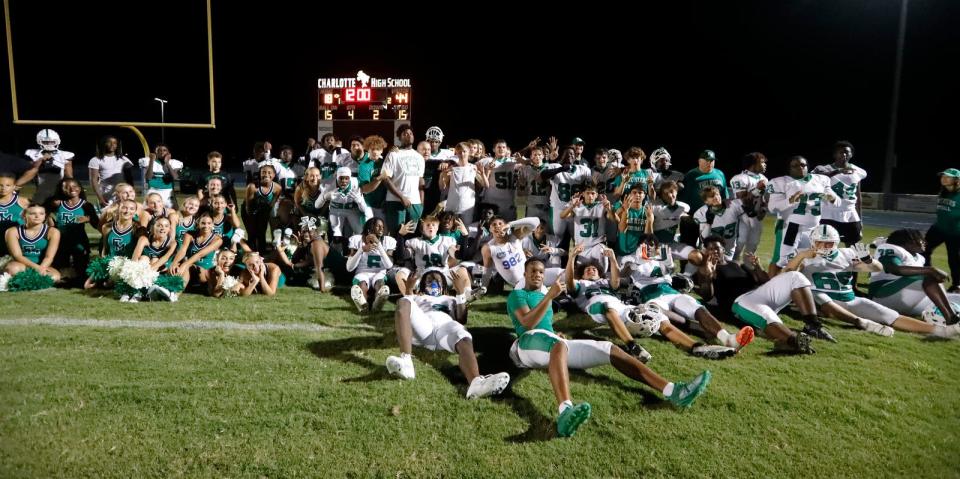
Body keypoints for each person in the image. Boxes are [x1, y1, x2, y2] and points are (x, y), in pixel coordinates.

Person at [507, 259, 712, 437]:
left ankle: (674, 391)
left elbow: (545, 325)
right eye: (532, 271)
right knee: (558, 344)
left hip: (550, 342)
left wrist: (553, 329)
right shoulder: (518, 295)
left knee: (609, 348)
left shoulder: (544, 293)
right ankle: (565, 412)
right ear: (524, 274)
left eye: (541, 272)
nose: (537, 274)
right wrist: (549, 297)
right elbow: (527, 323)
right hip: (526, 344)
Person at [784, 225, 959, 338]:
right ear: (813, 242)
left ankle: (942, 331)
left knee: (889, 315)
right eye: (820, 243)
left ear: (836, 243)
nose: (824, 247)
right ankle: (862, 323)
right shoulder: (805, 256)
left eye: (829, 243)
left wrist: (868, 260)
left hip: (849, 299)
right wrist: (801, 256)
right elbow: (787, 276)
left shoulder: (847, 254)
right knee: (820, 296)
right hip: (820, 300)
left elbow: (876, 268)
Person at [385, 270, 512, 400]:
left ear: (444, 286)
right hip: (423, 328)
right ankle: (406, 363)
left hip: (444, 329)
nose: (434, 282)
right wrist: (409, 290)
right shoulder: (418, 297)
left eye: (437, 280)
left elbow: (461, 319)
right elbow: (405, 312)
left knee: (463, 334)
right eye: (429, 280)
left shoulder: (451, 299)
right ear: (422, 285)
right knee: (403, 301)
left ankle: (476, 383)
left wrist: (460, 292)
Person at [693, 236, 824, 352]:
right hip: (742, 301)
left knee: (795, 276)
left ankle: (812, 325)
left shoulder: (735, 264)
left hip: (760, 293)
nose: (714, 251)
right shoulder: (705, 269)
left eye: (717, 248)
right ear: (705, 252)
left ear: (723, 250)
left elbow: (765, 281)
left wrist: (757, 267)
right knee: (766, 316)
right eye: (710, 249)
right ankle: (793, 341)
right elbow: (707, 296)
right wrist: (708, 276)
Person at [870, 228, 960, 323]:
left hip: (906, 298)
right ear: (909, 241)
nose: (924, 242)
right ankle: (950, 316)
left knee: (956, 298)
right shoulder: (890, 248)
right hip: (883, 296)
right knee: (929, 276)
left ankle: (947, 314)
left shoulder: (920, 258)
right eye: (920, 239)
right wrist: (930, 270)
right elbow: (894, 268)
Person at [813, 141, 867, 247]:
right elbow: (816, 177)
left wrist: (860, 219)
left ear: (851, 154)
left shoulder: (859, 171)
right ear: (834, 154)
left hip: (850, 213)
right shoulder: (824, 168)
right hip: (829, 213)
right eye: (840, 152)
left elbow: (858, 196)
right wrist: (839, 171)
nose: (844, 155)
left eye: (847, 152)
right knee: (826, 247)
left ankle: (851, 263)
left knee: (854, 247)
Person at [380, 124, 425, 235]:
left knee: (411, 237)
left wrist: (421, 204)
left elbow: (420, 181)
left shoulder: (419, 157)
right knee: (396, 235)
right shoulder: (393, 154)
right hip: (395, 202)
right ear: (399, 138)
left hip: (415, 203)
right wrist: (401, 197)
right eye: (405, 134)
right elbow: (385, 179)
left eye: (410, 133)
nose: (408, 135)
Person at [346, 218, 396, 312]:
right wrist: (361, 250)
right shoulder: (357, 240)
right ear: (369, 228)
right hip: (362, 272)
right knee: (362, 285)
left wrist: (379, 245)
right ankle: (363, 306)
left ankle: (377, 306)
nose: (381, 229)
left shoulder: (387, 241)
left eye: (383, 226)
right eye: (378, 226)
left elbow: (389, 265)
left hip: (379, 272)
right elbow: (349, 268)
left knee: (380, 284)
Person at [3, 204, 61, 282]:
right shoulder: (12, 231)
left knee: (55, 277)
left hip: (43, 265)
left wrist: (41, 268)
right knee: (12, 270)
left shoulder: (53, 232)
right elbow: (17, 256)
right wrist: (37, 268)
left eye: (41, 213)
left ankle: (26, 280)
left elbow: (49, 257)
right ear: (24, 215)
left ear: (45, 216)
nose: (37, 216)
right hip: (21, 265)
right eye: (32, 213)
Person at [923, 169, 960, 292]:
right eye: (942, 176)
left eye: (948, 177)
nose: (943, 178)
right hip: (938, 228)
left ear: (956, 180)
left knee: (954, 259)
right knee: (923, 250)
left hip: (955, 232)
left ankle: (957, 285)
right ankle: (926, 275)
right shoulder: (943, 192)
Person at [729, 152, 768, 262]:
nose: (765, 164)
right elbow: (744, 200)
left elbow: (765, 199)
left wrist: (763, 210)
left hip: (756, 217)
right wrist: (758, 189)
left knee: (753, 244)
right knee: (739, 243)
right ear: (753, 164)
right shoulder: (739, 178)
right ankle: (731, 266)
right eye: (762, 162)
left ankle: (748, 267)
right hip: (741, 216)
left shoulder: (764, 178)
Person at [18, 129, 74, 202]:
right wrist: (41, 160)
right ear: (39, 141)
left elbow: (69, 175)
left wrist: (71, 186)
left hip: (58, 186)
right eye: (46, 142)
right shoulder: (32, 153)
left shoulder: (65, 155)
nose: (49, 144)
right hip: (41, 185)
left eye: (52, 142)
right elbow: (30, 171)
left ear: (57, 141)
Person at [88, 135, 134, 208]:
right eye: (109, 142)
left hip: (123, 194)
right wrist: (100, 198)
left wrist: (131, 194)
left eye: (115, 143)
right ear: (104, 144)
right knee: (107, 217)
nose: (112, 145)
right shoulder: (96, 160)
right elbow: (93, 180)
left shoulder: (124, 159)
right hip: (106, 195)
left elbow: (130, 179)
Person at [140, 144, 182, 208]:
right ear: (156, 152)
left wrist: (167, 163)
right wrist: (151, 161)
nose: (162, 152)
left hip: (168, 192)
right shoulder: (148, 161)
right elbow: (148, 177)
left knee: (173, 214)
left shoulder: (174, 162)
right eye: (159, 150)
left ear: (168, 153)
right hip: (153, 191)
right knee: (147, 213)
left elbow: (175, 177)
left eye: (164, 150)